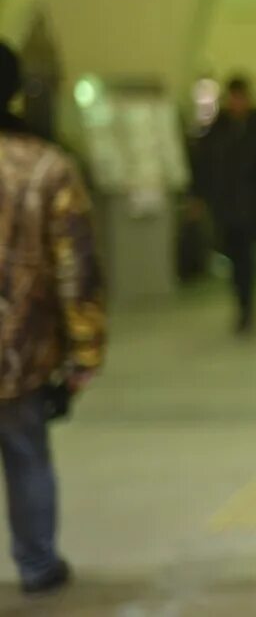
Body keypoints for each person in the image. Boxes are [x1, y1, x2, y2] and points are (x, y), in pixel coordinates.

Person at [0, 41, 106, 595]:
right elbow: (77, 268)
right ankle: (37, 564)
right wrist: (86, 350)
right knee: (26, 453)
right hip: (20, 349)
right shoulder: (47, 166)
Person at [191, 76, 256, 335]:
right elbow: (204, 167)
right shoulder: (216, 131)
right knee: (234, 256)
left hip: (251, 206)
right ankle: (241, 301)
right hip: (226, 206)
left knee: (246, 257)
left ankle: (246, 306)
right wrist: (199, 196)